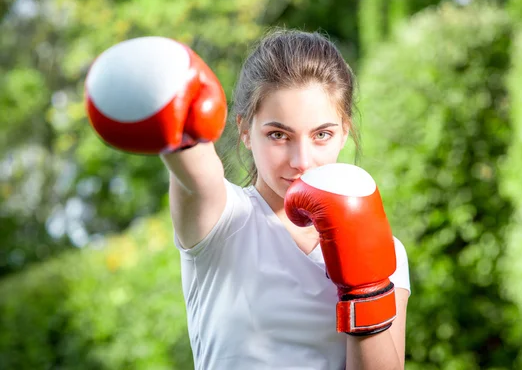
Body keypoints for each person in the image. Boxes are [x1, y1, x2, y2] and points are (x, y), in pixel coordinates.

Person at [84, 29, 411, 369]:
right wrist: (176, 97)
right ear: (245, 131)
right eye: (278, 135)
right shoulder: (222, 219)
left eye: (322, 134)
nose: (301, 160)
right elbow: (196, 169)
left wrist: (365, 292)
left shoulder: (388, 251)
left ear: (344, 132)